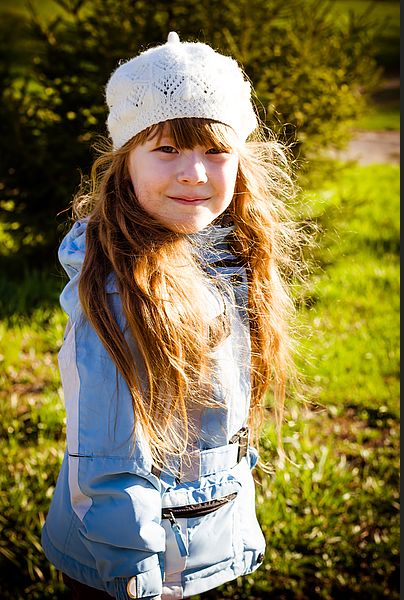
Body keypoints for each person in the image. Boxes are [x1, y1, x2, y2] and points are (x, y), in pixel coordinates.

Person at [42, 31, 297, 599]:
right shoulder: (117, 292)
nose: (195, 173)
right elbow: (107, 457)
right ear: (123, 161)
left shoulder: (226, 256)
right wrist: (133, 575)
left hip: (200, 550)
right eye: (165, 150)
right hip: (134, 567)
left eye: (214, 151)